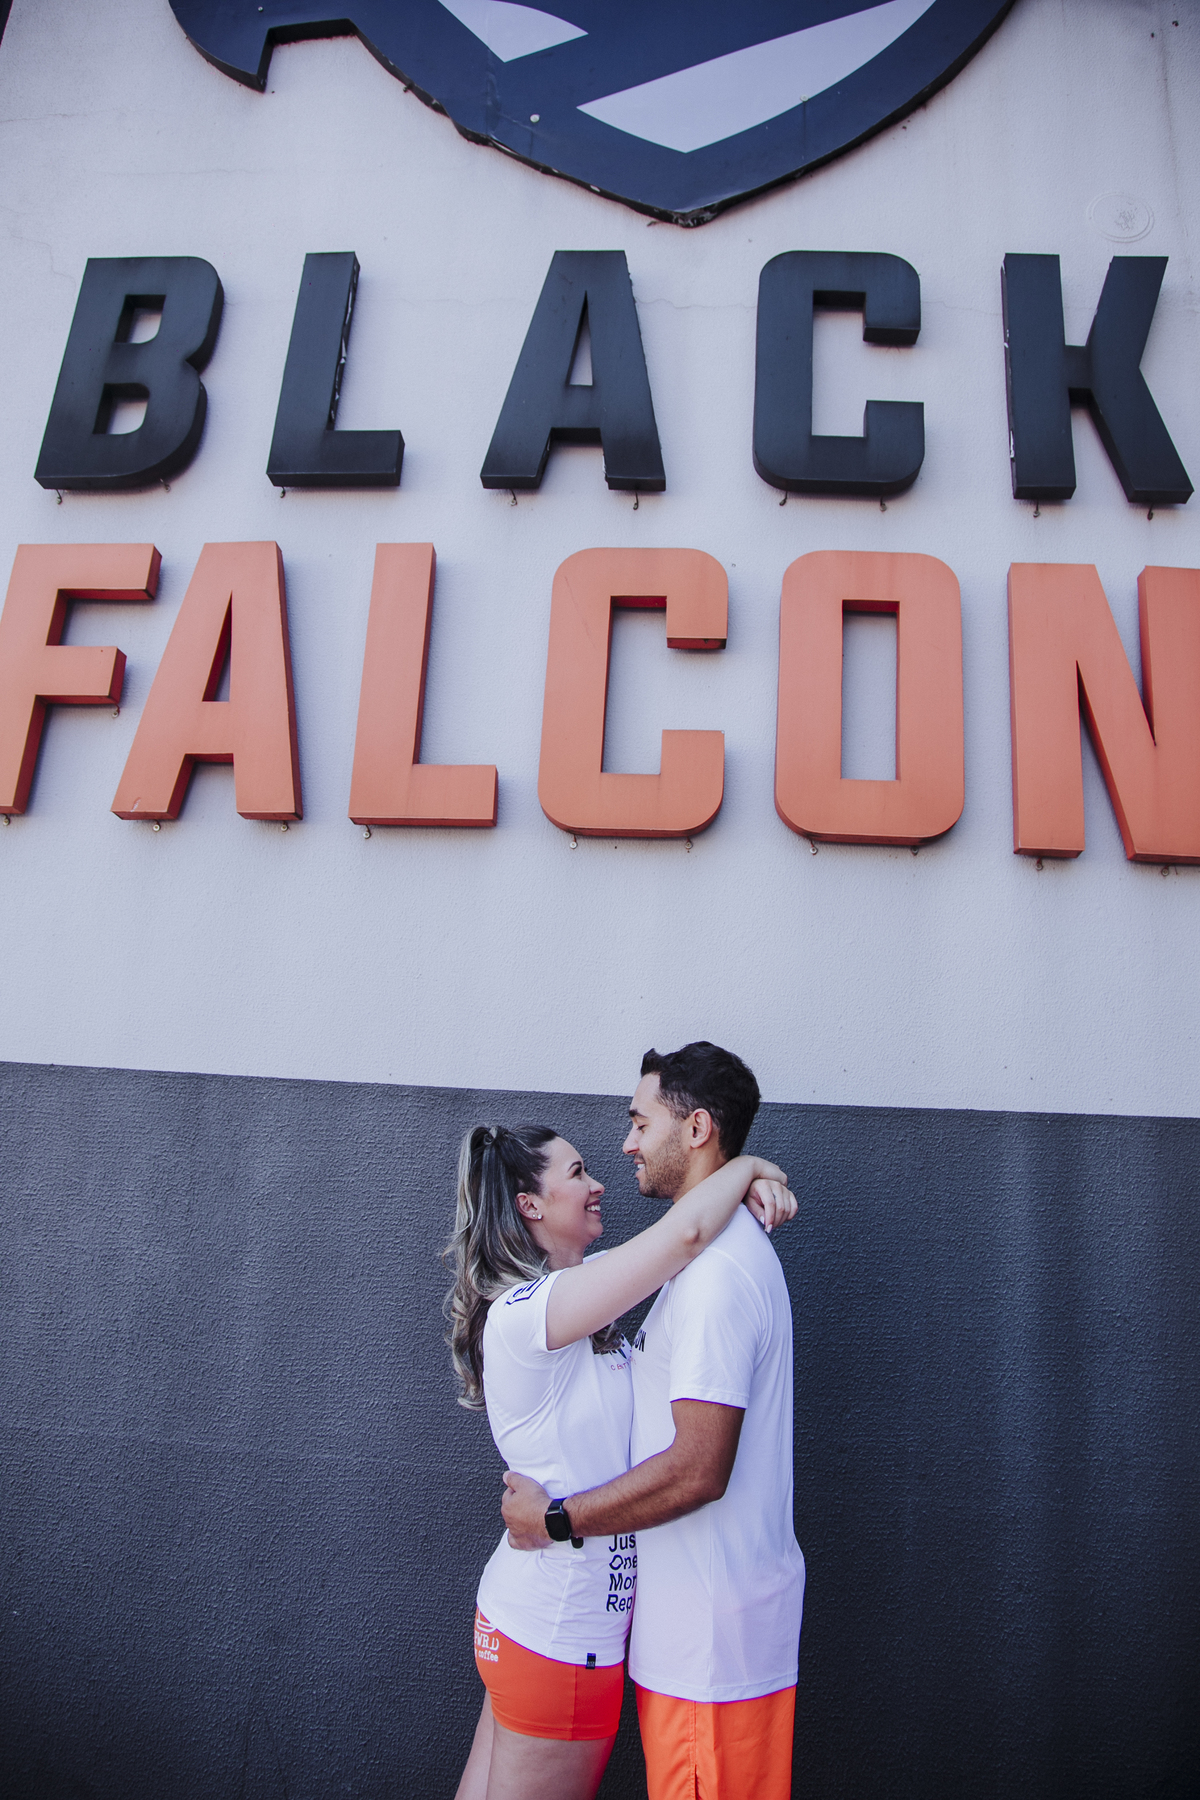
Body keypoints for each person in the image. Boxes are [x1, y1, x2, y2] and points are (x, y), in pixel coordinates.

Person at [446, 1118, 797, 1800]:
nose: (599, 1182)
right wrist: (746, 1165)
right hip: (559, 1635)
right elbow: (683, 1235)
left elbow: (687, 1235)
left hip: (537, 1622)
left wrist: (749, 1187)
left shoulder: (574, 1294)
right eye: (578, 1173)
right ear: (530, 1204)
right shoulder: (528, 1312)